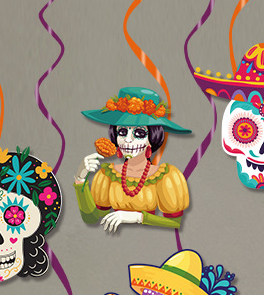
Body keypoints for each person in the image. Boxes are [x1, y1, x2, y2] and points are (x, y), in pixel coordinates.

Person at [74, 86, 191, 231]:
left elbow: (175, 223)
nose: (128, 140)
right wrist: (80, 178)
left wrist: (137, 217)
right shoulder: (106, 175)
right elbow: (92, 219)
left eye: (139, 133)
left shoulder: (167, 176)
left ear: (152, 139)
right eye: (122, 132)